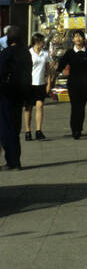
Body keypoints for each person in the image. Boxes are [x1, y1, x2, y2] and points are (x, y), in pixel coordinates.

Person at [0, 26, 31, 169]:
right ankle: (16, 160)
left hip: (6, 93)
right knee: (16, 127)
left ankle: (11, 161)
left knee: (6, 128)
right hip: (21, 92)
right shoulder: (26, 53)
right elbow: (28, 75)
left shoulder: (6, 53)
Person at [60, 31, 87, 139]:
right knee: (74, 106)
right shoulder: (69, 53)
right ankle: (74, 129)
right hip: (73, 83)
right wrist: (54, 77)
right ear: (73, 39)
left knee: (82, 106)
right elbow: (61, 66)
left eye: (80, 37)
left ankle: (79, 128)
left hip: (85, 82)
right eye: (76, 37)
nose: (78, 39)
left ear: (83, 39)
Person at [23, 32, 51, 141]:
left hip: (40, 83)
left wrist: (48, 82)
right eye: (42, 41)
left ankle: (38, 130)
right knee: (28, 108)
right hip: (30, 84)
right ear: (36, 42)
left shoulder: (45, 53)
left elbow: (48, 69)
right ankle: (28, 131)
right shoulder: (28, 53)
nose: (43, 43)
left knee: (39, 106)